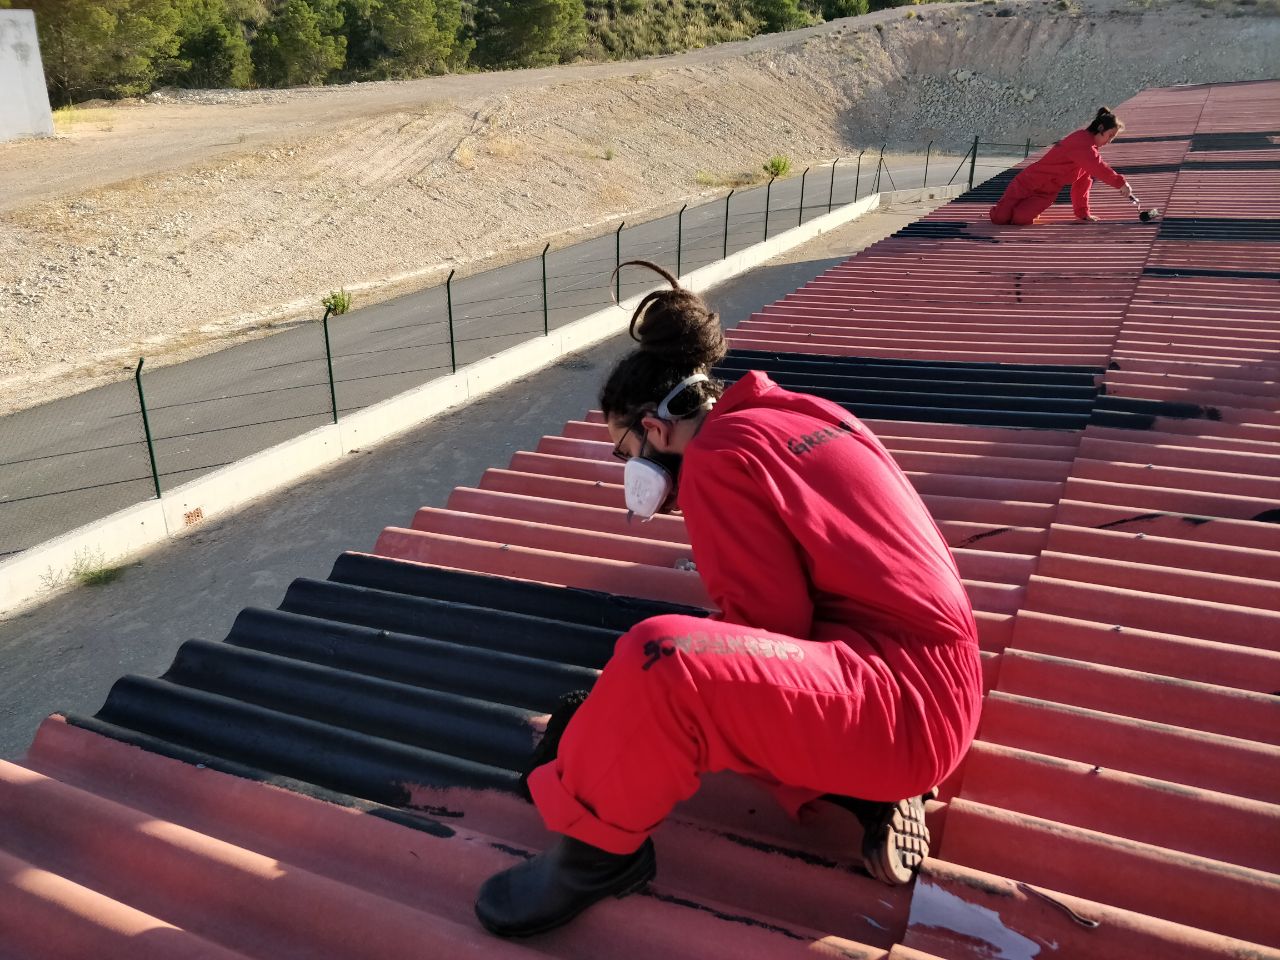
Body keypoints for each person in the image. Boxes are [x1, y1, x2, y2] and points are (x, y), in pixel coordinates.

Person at [474, 262, 983, 938]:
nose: (631, 470)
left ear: (654, 431)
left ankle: (597, 854)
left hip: (900, 711)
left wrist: (611, 721)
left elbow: (770, 627)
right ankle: (867, 790)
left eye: (624, 451)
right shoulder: (798, 413)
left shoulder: (716, 459)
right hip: (943, 680)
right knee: (694, 666)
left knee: (660, 660)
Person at [989, 107, 1134, 225]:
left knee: (1020, 220)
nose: (1109, 141)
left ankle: (1025, 209)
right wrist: (1121, 183)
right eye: (1110, 135)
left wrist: (1083, 213)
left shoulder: (1088, 152)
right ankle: (1006, 209)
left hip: (1045, 194)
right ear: (1100, 128)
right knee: (999, 219)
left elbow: (1082, 184)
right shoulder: (1081, 142)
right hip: (1027, 183)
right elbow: (1099, 167)